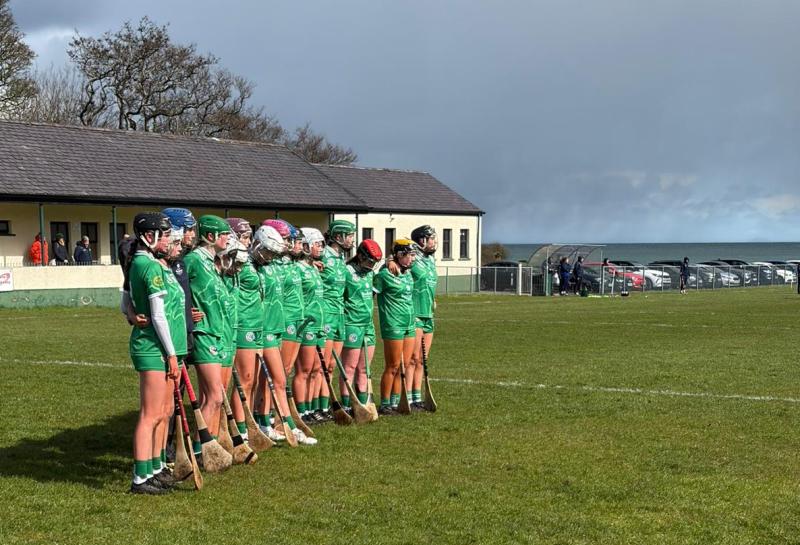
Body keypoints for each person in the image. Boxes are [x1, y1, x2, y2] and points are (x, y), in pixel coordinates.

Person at [122, 212, 185, 494]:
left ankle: (156, 469)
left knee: (164, 413)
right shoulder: (148, 266)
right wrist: (171, 354)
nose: (170, 240)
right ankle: (140, 477)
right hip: (152, 347)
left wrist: (131, 314)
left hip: (160, 346)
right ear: (151, 236)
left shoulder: (144, 263)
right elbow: (158, 317)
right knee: (151, 414)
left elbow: (125, 302)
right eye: (166, 235)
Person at [183, 215, 233, 460]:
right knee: (214, 395)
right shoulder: (193, 260)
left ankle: (208, 447)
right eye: (223, 234)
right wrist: (186, 309)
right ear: (211, 236)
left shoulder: (213, 262)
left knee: (213, 395)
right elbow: (177, 284)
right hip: (203, 333)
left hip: (217, 331)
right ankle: (196, 449)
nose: (227, 238)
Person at [374, 239, 417, 415]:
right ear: (400, 255)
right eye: (410, 255)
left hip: (409, 323)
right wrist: (387, 261)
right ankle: (384, 404)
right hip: (393, 324)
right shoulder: (385, 275)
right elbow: (370, 294)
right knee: (392, 365)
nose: (413, 259)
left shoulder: (407, 273)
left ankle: (395, 401)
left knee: (404, 366)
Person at [318, 219, 356, 419]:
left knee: (332, 365)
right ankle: (317, 408)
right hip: (326, 315)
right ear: (338, 236)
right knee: (321, 364)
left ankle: (328, 405)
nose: (351, 240)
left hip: (340, 314)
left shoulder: (341, 259)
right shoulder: (323, 255)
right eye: (349, 235)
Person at [340, 239, 382, 411]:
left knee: (365, 368)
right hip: (352, 324)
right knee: (349, 367)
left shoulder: (371, 274)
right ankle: (346, 405)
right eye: (369, 261)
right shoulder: (346, 272)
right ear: (360, 256)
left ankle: (362, 404)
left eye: (374, 262)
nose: (371, 265)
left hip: (368, 325)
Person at [293, 227, 326, 427]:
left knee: (316, 368)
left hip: (319, 323)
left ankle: (312, 408)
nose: (320, 248)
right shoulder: (298, 268)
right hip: (306, 324)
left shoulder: (314, 267)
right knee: (303, 370)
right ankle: (301, 410)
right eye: (317, 244)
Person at [408, 225, 438, 410]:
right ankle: (408, 397)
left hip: (428, 315)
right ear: (422, 240)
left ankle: (417, 396)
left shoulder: (430, 260)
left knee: (422, 359)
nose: (435, 242)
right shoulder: (412, 258)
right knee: (412, 358)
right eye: (432, 238)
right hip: (415, 314)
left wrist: (433, 299)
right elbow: (395, 260)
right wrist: (390, 262)